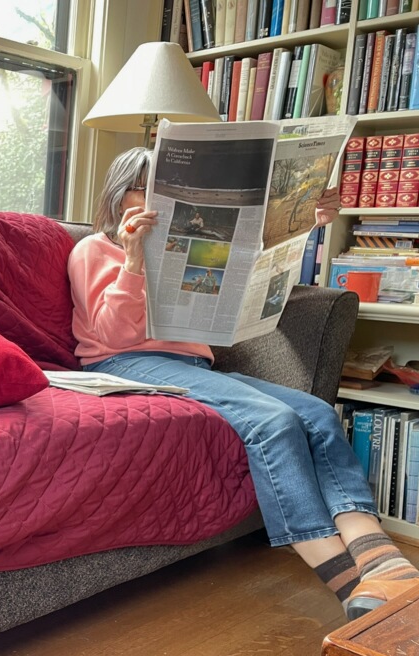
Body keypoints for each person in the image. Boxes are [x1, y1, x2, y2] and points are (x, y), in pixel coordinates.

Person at [67, 147, 419, 620]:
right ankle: (351, 583)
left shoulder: (195, 248)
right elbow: (112, 335)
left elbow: (250, 295)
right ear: (118, 195)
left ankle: (384, 563)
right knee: (271, 420)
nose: (156, 202)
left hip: (190, 364)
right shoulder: (94, 249)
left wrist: (300, 226)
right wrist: (133, 261)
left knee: (315, 412)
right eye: (144, 190)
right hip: (123, 362)